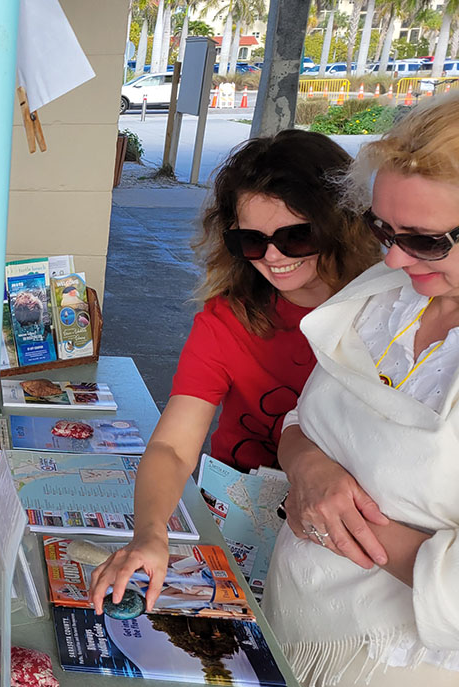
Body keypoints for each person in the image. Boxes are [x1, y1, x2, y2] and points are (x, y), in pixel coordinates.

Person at [88, 130, 380, 612]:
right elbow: (171, 446)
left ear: (343, 223)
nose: (272, 256)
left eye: (296, 235)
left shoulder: (386, 312)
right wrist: (149, 533)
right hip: (244, 521)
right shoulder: (230, 318)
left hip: (353, 547)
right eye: (252, 239)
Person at [265, 94, 459, 687]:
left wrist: (350, 527)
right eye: (383, 230)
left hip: (397, 677)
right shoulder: (391, 295)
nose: (398, 259)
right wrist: (307, 467)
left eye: (427, 240)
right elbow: (304, 419)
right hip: (298, 614)